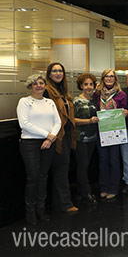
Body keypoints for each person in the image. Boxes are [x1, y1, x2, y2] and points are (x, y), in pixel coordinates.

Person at [17, 74, 60, 224]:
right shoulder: (24, 102)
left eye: (41, 83)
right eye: (35, 84)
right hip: (30, 143)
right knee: (33, 177)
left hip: (48, 142)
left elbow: (58, 122)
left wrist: (50, 138)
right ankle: (30, 212)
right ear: (30, 86)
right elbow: (24, 124)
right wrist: (47, 135)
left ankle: (41, 209)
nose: (39, 86)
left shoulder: (50, 102)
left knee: (43, 176)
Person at [43, 62, 78, 213]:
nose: (58, 73)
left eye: (60, 71)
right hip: (54, 135)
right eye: (54, 71)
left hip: (66, 134)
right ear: (49, 74)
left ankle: (59, 203)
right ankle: (65, 204)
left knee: (62, 168)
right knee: (61, 168)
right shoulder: (46, 91)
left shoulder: (63, 91)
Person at [95, 69, 127, 200]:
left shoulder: (121, 94)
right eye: (106, 76)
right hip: (101, 130)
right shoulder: (96, 94)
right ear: (103, 78)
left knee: (114, 160)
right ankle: (103, 187)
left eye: (112, 76)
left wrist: (124, 112)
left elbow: (124, 110)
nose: (109, 79)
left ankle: (113, 188)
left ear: (115, 79)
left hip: (115, 131)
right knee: (103, 160)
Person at [73, 73, 99, 205]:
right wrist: (88, 121)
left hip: (92, 138)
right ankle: (86, 192)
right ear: (81, 86)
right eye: (86, 84)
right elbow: (72, 120)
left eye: (91, 84)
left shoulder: (95, 100)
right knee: (82, 166)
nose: (89, 87)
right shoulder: (76, 101)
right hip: (81, 139)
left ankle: (80, 191)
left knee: (87, 165)